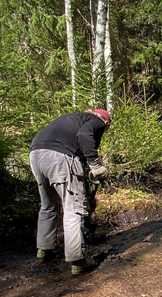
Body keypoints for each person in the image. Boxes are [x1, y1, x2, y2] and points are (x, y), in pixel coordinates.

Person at [29, 109, 111, 274]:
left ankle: (45, 249)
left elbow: (77, 145)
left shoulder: (72, 119)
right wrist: (95, 165)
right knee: (73, 209)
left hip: (36, 155)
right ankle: (78, 260)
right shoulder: (97, 121)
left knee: (48, 205)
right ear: (105, 122)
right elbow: (84, 136)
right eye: (106, 128)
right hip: (60, 157)